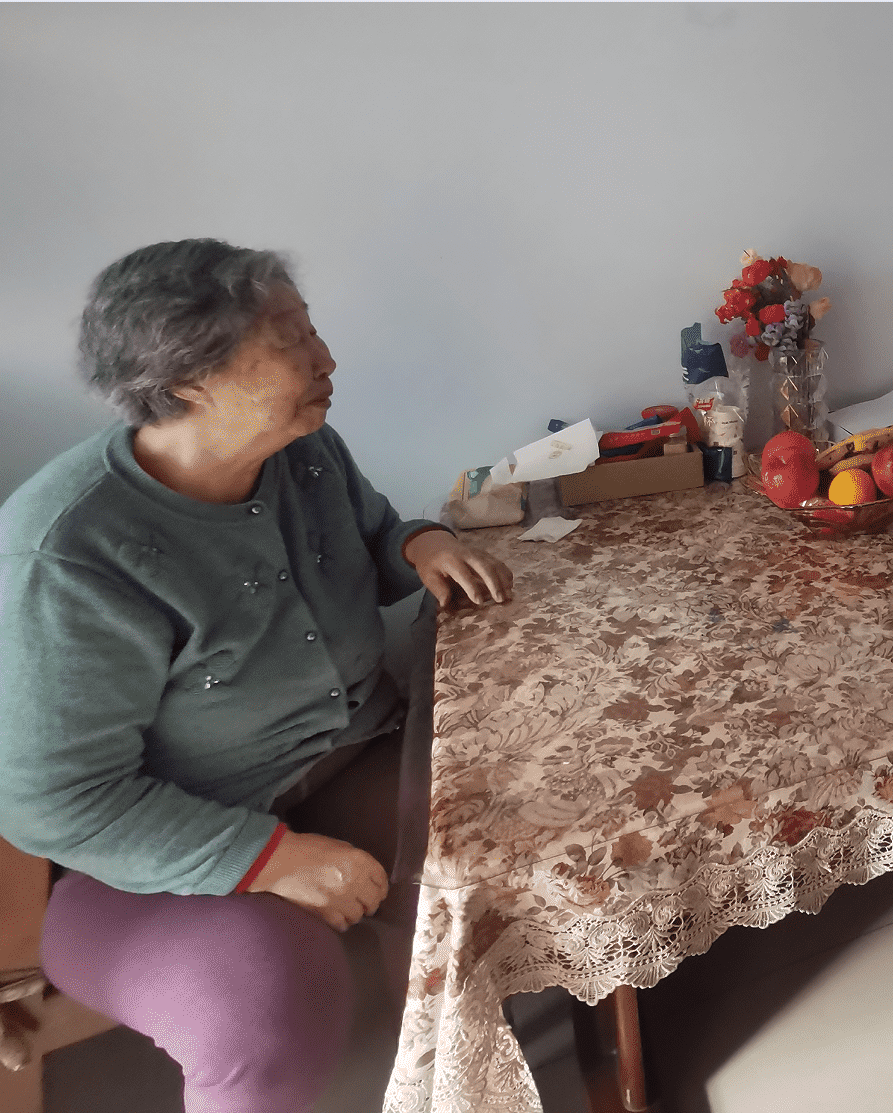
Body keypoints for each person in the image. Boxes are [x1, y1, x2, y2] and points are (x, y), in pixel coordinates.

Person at [0, 239, 512, 1113]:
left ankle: (460, 1078)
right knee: (266, 1003)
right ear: (187, 379)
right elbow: (54, 802)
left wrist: (420, 542)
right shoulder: (69, 553)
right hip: (145, 859)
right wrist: (267, 858)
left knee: (507, 836)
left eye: (312, 330)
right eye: (291, 340)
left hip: (349, 760)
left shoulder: (305, 453)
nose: (326, 358)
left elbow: (372, 536)